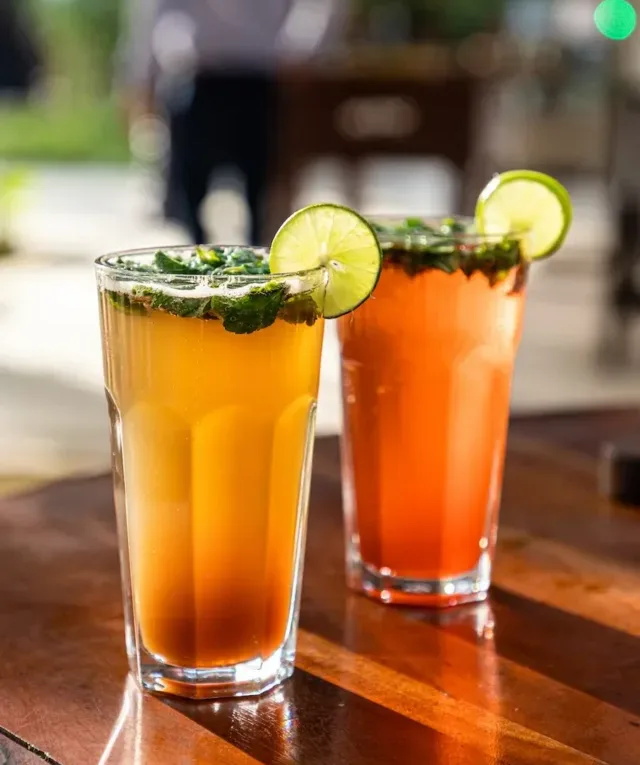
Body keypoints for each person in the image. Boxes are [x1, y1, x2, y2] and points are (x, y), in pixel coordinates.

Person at [118, 0, 344, 244]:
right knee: (189, 194)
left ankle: (263, 267)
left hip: (262, 80)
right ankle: (198, 263)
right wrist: (141, 80)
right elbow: (154, 16)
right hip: (195, 78)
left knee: (266, 198)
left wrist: (301, 52)